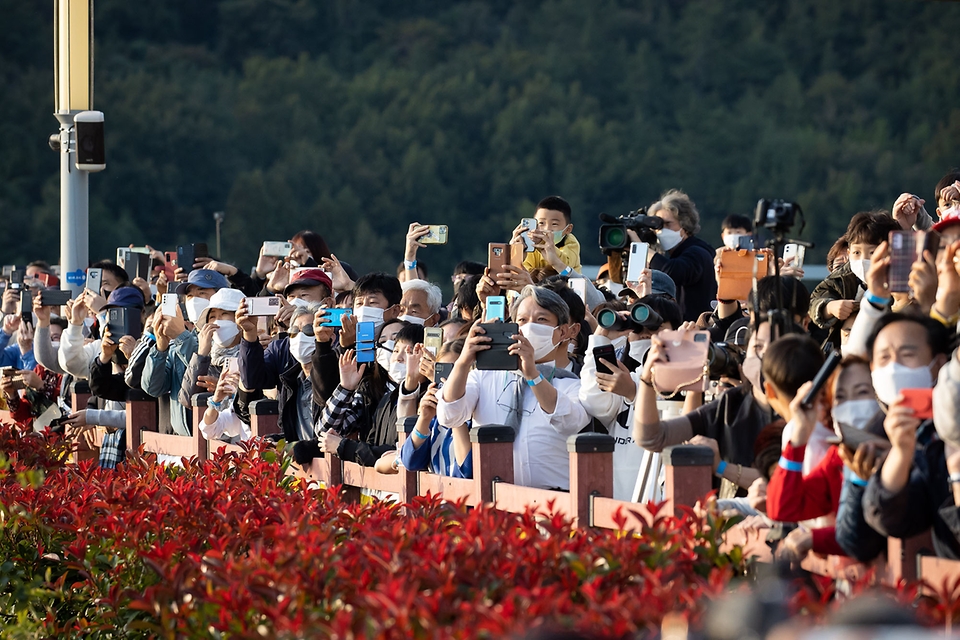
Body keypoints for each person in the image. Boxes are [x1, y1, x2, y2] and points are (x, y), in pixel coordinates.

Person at [437, 285, 589, 490]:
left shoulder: (571, 384)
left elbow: (569, 421)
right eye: (522, 320)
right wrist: (464, 360)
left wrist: (533, 375)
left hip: (552, 507)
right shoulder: (483, 377)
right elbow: (450, 415)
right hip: (494, 502)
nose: (529, 327)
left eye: (541, 320)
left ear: (562, 332)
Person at [766, 356, 888, 563]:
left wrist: (815, 539)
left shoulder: (905, 450)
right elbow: (783, 507)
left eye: (862, 393)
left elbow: (875, 537)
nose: (852, 405)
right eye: (841, 397)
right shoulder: (837, 458)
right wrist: (800, 435)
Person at [861, 313, 957, 558]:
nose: (894, 367)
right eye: (884, 357)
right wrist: (901, 452)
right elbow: (890, 518)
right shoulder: (925, 440)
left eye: (907, 355)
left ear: (939, 364)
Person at [579, 296, 682, 500]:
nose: (645, 334)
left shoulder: (683, 380)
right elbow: (593, 401)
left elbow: (676, 419)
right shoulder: (628, 377)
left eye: (655, 327)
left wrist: (634, 394)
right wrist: (600, 337)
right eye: (637, 328)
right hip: (620, 498)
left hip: (658, 497)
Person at [142, 270, 229, 437]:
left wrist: (181, 336)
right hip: (184, 443)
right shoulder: (180, 340)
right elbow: (153, 388)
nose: (194, 299)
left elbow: (207, 374)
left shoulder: (228, 336)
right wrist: (160, 348)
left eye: (202, 293)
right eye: (189, 295)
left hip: (219, 440)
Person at [809, 212, 901, 349]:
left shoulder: (900, 280)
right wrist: (829, 307)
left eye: (872, 252)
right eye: (857, 252)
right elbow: (815, 299)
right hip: (842, 352)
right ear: (849, 251)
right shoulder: (843, 278)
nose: (863, 260)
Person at [398, 339, 472, 478]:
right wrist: (424, 419)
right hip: (438, 497)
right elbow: (410, 462)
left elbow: (468, 470)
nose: (449, 381)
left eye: (456, 372)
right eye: (442, 372)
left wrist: (453, 408)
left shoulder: (477, 416)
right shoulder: (436, 420)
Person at [646, 189, 717, 322]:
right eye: (658, 226)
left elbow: (673, 272)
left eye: (668, 224)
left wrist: (643, 250)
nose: (662, 231)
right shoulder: (678, 254)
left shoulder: (697, 252)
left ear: (685, 224)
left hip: (695, 327)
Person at [513, 196, 582, 275]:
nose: (547, 229)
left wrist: (543, 243)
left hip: (567, 284)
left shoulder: (570, 242)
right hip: (537, 285)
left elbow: (566, 268)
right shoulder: (530, 245)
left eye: (554, 224)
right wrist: (514, 253)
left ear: (568, 229)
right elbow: (522, 272)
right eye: (541, 223)